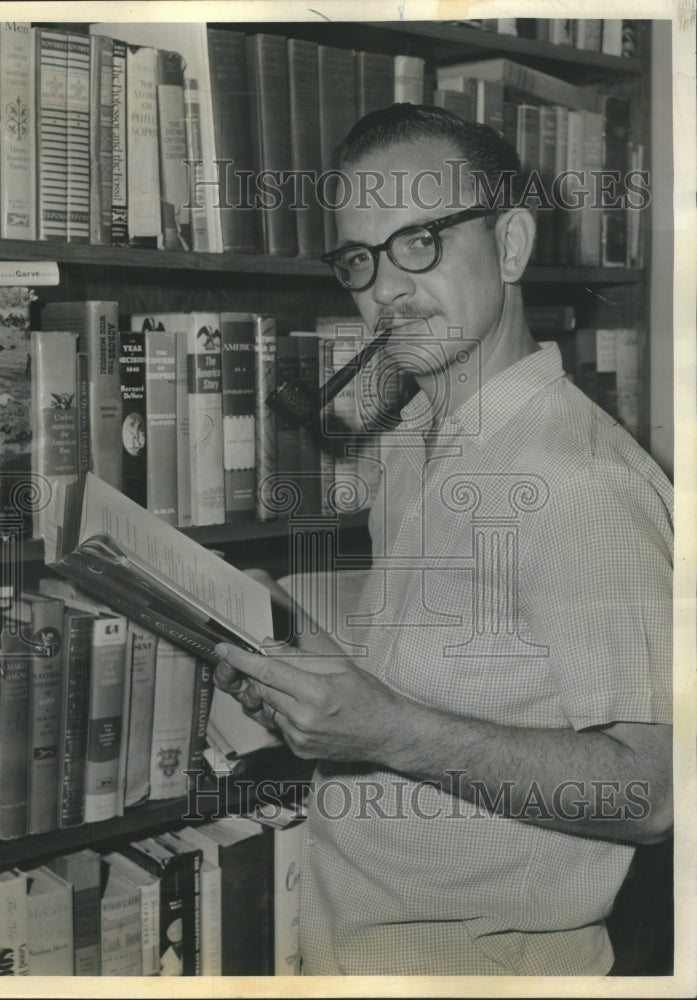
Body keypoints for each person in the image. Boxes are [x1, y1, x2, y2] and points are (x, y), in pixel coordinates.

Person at [213, 104, 673, 976]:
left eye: (419, 240)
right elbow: (469, 668)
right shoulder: (415, 432)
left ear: (508, 247)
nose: (384, 287)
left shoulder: (582, 486)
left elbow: (650, 794)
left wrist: (386, 732)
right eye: (360, 259)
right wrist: (285, 640)